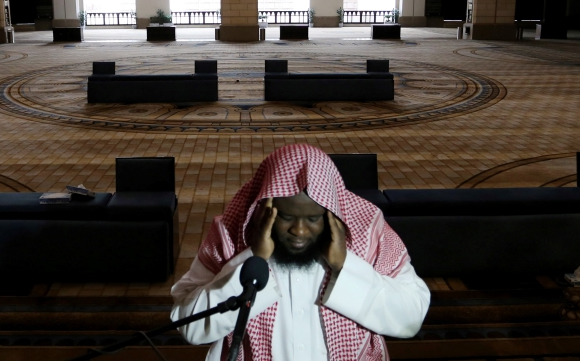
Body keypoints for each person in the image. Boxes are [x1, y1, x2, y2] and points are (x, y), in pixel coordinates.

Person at [171, 144, 430, 361]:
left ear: (331, 211)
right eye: (286, 217)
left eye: (313, 219)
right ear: (264, 207)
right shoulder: (230, 234)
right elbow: (189, 326)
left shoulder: (368, 233)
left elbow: (411, 318)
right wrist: (253, 258)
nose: (299, 231)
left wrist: (344, 264)